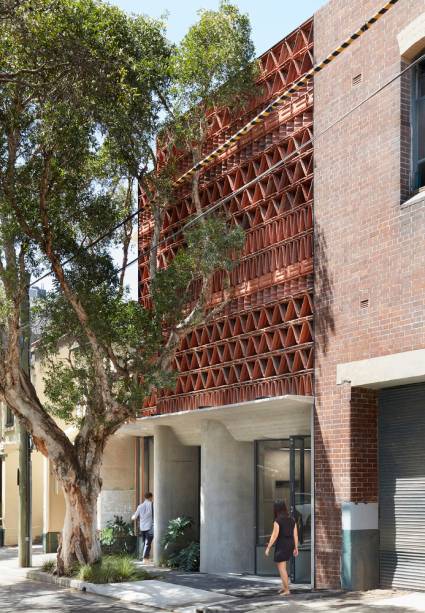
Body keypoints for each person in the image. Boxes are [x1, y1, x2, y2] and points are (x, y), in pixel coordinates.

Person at [265, 501, 298, 596]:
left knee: (282, 568)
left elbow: (274, 535)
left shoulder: (277, 521)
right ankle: (284, 586)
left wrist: (268, 547)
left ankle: (287, 590)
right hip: (290, 544)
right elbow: (295, 535)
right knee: (282, 567)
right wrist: (296, 547)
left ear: (276, 510)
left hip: (282, 545)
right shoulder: (292, 520)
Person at [132, 492, 153, 563]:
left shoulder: (140, 506)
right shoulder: (151, 505)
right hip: (149, 526)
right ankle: (145, 558)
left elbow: (134, 517)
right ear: (150, 497)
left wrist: (133, 518)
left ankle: (145, 557)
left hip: (142, 527)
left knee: (145, 542)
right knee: (148, 543)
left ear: (145, 497)